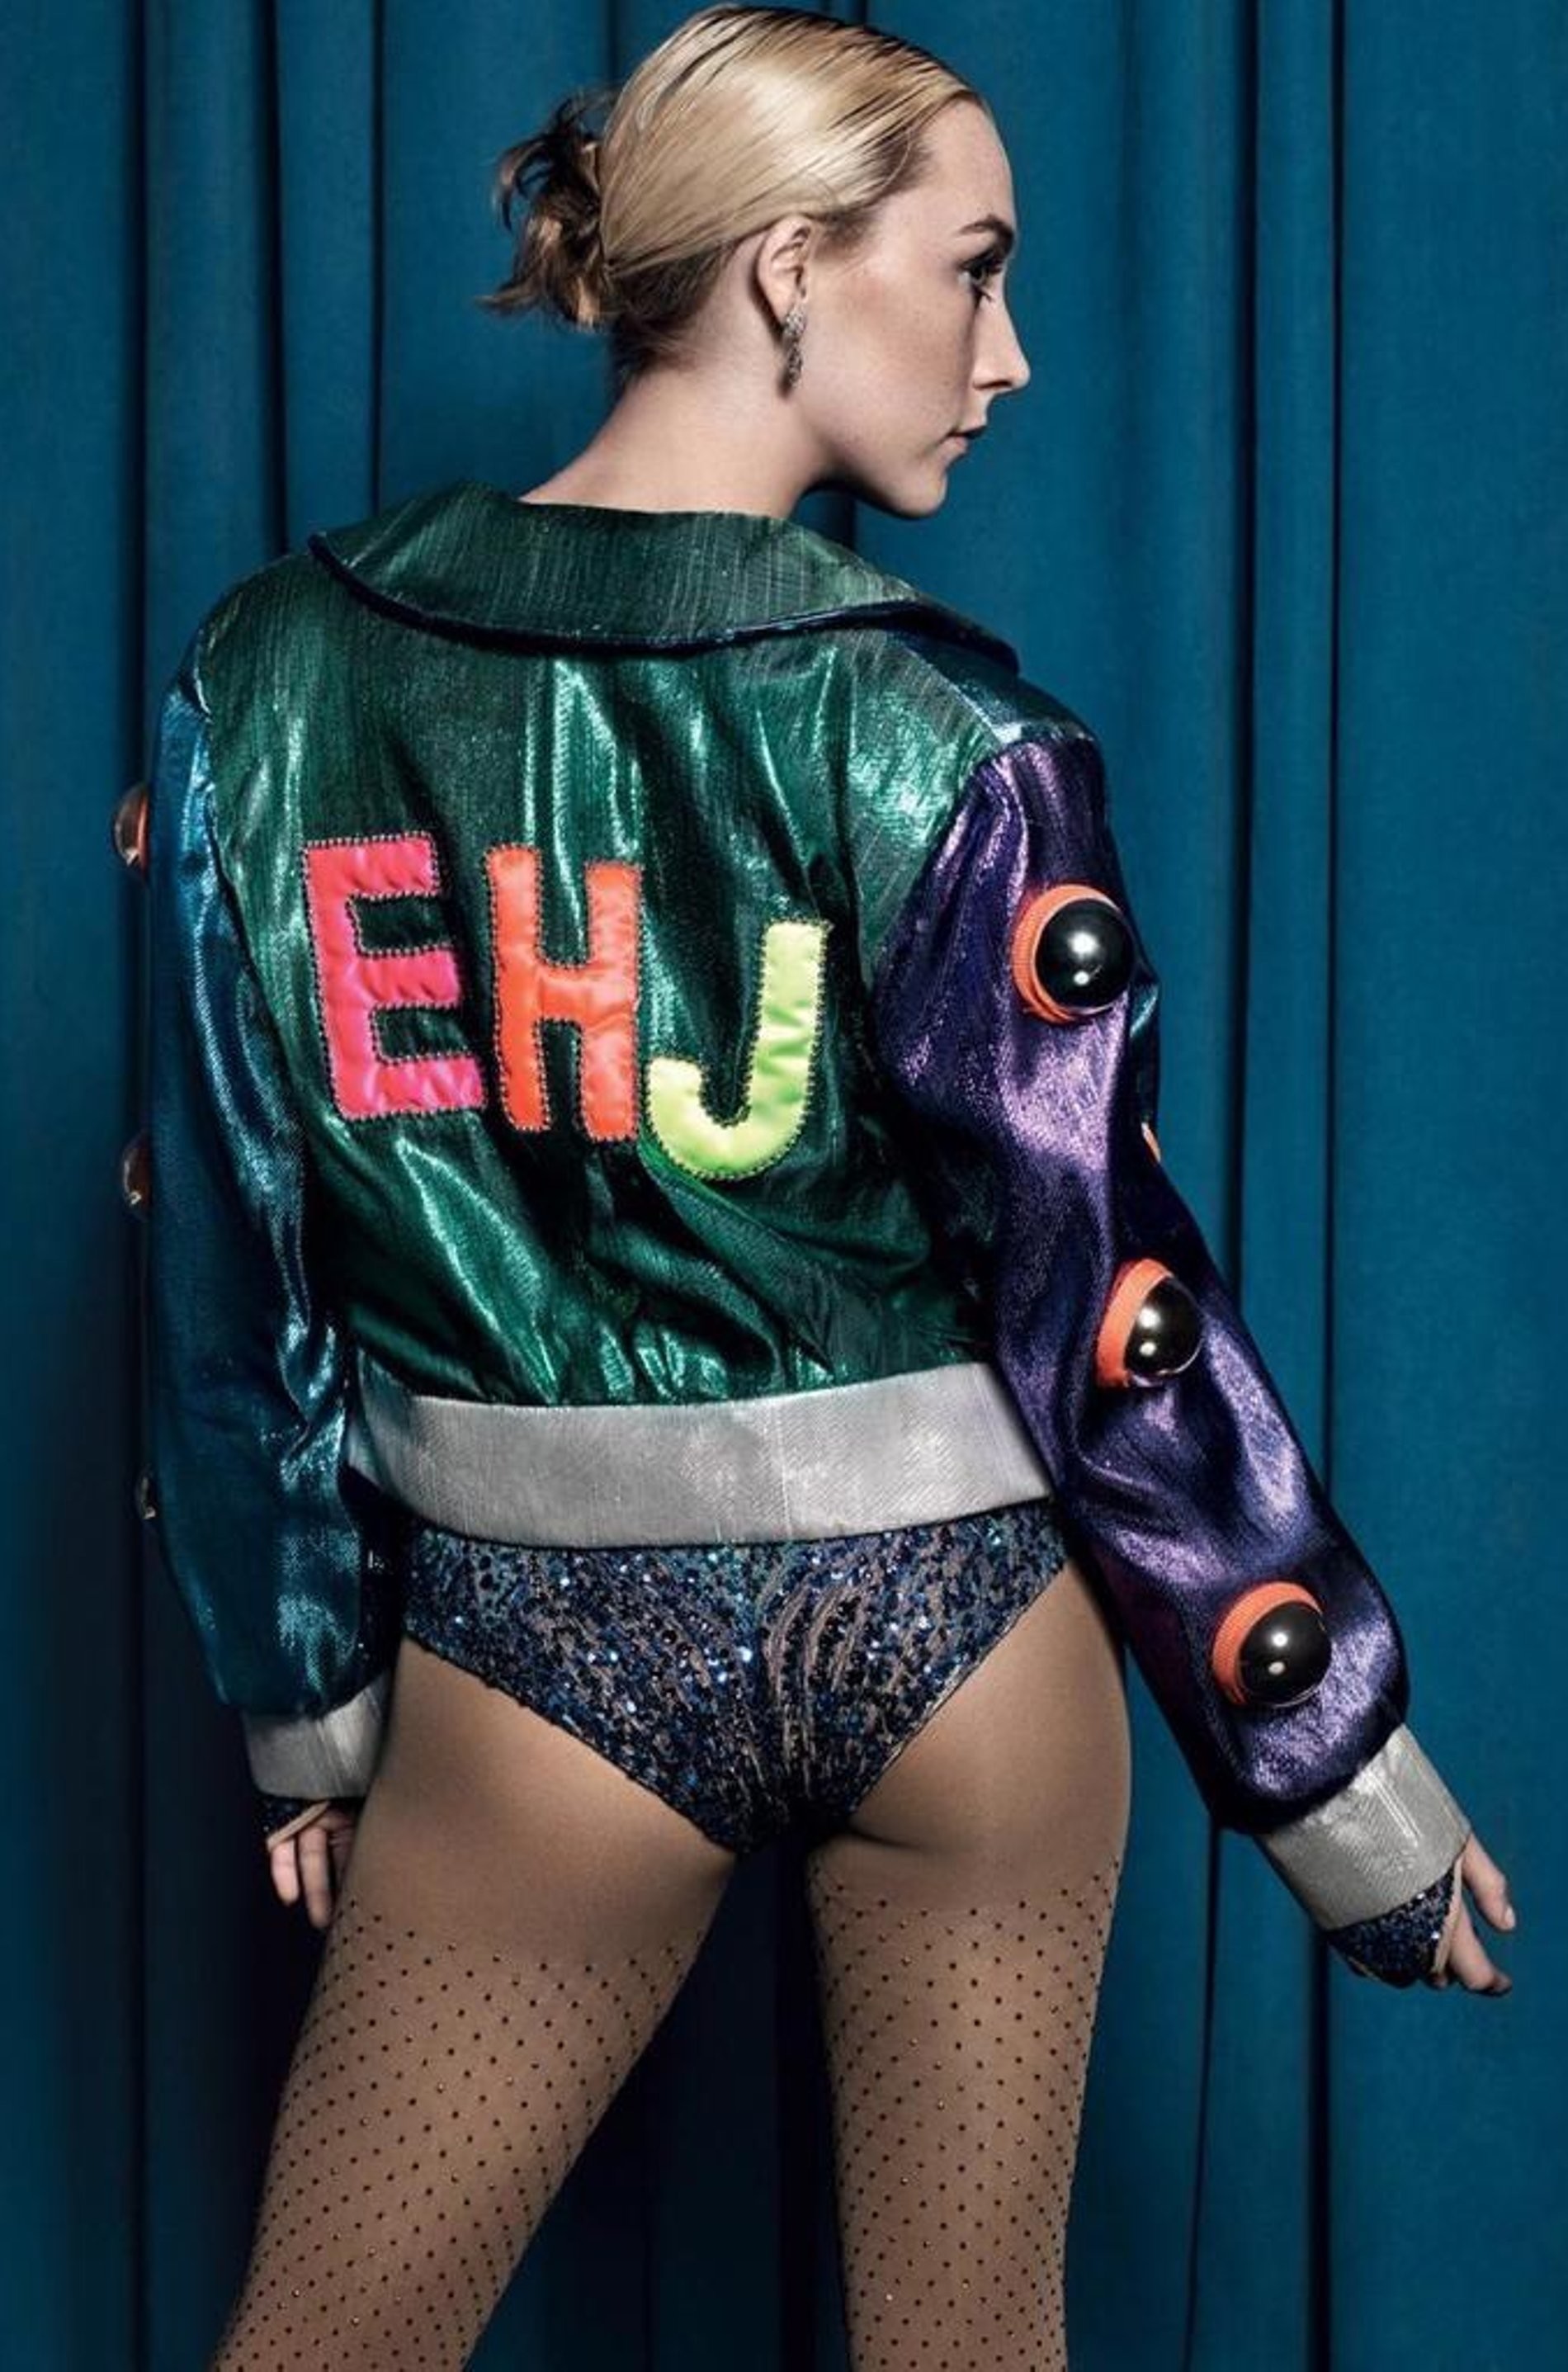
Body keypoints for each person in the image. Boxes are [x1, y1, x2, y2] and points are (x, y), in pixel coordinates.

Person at [118, 8, 1515, 2366]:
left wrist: (307, 1693)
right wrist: (1331, 1771)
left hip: (547, 1655)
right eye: (972, 268)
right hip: (969, 1636)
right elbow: (1105, 1288)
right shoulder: (950, 736)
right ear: (787, 267)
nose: (1013, 351)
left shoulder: (269, 680)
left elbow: (236, 1240)